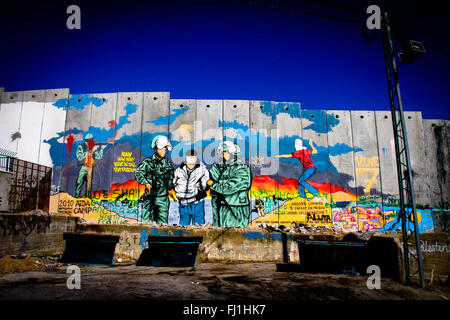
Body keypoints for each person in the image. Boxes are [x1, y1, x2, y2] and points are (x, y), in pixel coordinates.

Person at [207, 141, 252, 228]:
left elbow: (230, 187)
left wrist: (214, 184)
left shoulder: (242, 169)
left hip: (237, 207)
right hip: (224, 206)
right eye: (223, 153)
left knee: (237, 236)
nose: (224, 155)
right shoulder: (222, 168)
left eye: (226, 152)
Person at [135, 135, 174, 224]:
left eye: (165, 149)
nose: (163, 151)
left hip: (162, 199)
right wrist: (146, 183)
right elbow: (138, 173)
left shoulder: (168, 164)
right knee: (146, 224)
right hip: (149, 198)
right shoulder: (147, 163)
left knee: (162, 226)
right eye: (161, 148)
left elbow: (171, 181)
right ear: (156, 149)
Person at [173, 149, 210, 225]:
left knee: (199, 226)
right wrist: (178, 192)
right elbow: (173, 182)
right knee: (183, 226)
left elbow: (205, 184)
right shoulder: (179, 170)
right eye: (189, 157)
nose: (191, 159)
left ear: (196, 158)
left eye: (193, 157)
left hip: (196, 203)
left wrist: (198, 192)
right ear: (186, 158)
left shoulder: (202, 169)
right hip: (183, 203)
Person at [75, 133, 106, 198]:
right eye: (90, 140)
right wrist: (89, 152)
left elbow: (98, 156)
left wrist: (101, 149)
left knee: (89, 184)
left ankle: (88, 197)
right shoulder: (81, 146)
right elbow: (79, 157)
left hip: (90, 167)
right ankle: (77, 196)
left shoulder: (94, 147)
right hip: (83, 166)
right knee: (79, 181)